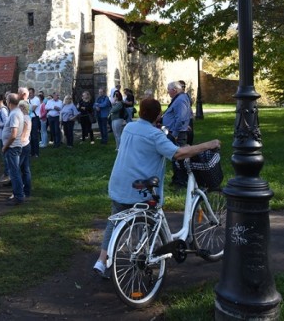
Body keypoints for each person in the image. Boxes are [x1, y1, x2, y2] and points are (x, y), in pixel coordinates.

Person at [92, 97, 221, 277]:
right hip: (140, 190)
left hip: (119, 185)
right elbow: (178, 153)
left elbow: (144, 138)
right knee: (150, 219)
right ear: (158, 115)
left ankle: (101, 260)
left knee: (115, 221)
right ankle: (152, 257)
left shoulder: (130, 127)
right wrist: (209, 144)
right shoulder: (155, 136)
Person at [162, 81, 193, 187]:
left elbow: (181, 118)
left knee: (179, 157)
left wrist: (174, 133)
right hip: (175, 132)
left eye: (168, 89)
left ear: (174, 90)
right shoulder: (179, 98)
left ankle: (181, 181)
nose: (167, 92)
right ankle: (177, 179)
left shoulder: (180, 99)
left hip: (177, 134)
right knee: (175, 157)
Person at [1, 93, 25, 205]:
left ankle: (18, 196)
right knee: (14, 172)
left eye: (6, 99)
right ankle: (18, 194)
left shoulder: (15, 114)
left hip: (12, 147)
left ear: (9, 102)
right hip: (14, 146)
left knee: (14, 173)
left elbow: (14, 134)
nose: (5, 101)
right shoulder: (16, 112)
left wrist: (5, 146)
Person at [17, 100, 32, 198]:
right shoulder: (27, 118)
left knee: (17, 168)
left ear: (22, 108)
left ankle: (20, 191)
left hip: (22, 145)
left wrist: (18, 143)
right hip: (26, 144)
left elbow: (23, 133)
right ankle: (26, 190)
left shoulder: (25, 119)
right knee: (25, 169)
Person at [28, 88, 42, 157]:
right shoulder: (27, 100)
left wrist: (26, 109)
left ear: (33, 93)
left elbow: (33, 108)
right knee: (29, 136)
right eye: (29, 93)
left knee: (34, 136)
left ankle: (36, 152)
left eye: (30, 93)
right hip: (29, 118)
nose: (29, 94)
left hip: (35, 119)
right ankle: (31, 152)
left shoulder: (36, 99)